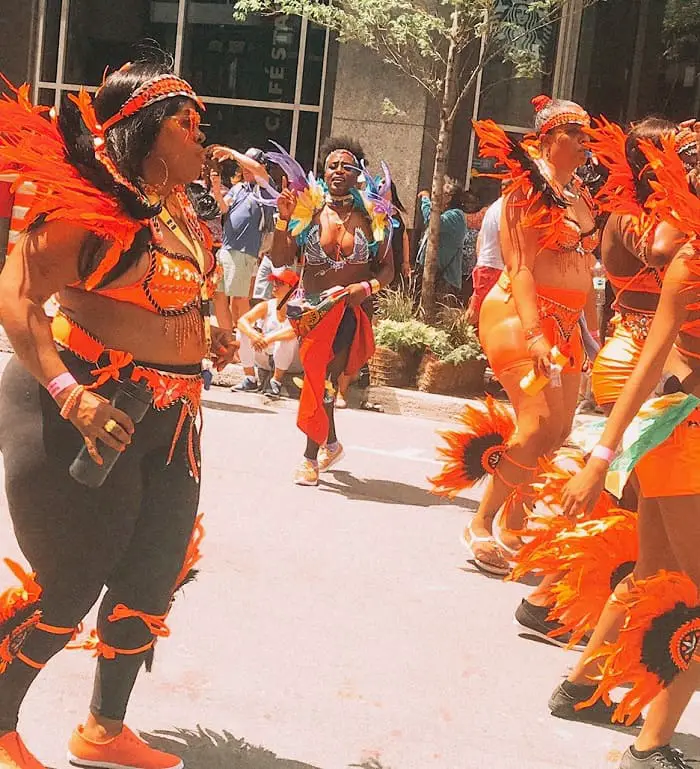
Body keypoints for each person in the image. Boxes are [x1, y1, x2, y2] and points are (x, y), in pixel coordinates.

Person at [0, 62, 237, 769]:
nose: (202, 136)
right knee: (70, 580)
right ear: (141, 129)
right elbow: (17, 297)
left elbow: (180, 293)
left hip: (172, 417)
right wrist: (71, 391)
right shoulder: (86, 204)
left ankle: (103, 729)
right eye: (184, 123)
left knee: (150, 573)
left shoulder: (181, 208)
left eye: (200, 121)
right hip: (79, 405)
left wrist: (210, 332)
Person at [558, 129, 700, 769]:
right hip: (684, 439)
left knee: (652, 574)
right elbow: (646, 365)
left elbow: (653, 364)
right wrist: (599, 456)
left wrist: (606, 454)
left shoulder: (687, 260)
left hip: (671, 431)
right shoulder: (689, 262)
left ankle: (580, 685)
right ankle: (652, 747)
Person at [464, 96, 599, 579]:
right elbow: (519, 268)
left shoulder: (580, 193)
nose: (585, 142)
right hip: (521, 319)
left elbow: (586, 268)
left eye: (587, 134)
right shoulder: (526, 189)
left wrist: (593, 329)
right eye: (574, 134)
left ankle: (515, 524)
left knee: (559, 432)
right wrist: (537, 334)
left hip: (567, 327)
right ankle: (480, 523)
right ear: (545, 139)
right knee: (537, 423)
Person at [268, 137, 394, 486]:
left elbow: (387, 268)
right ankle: (332, 442)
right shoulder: (308, 212)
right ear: (323, 173)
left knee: (321, 378)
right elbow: (281, 259)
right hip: (311, 311)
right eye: (332, 165)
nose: (338, 170)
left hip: (347, 314)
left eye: (346, 165)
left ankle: (310, 458)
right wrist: (283, 219)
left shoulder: (373, 216)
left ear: (359, 174)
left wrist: (367, 288)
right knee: (317, 378)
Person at [215, 147, 274, 329]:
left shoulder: (265, 188)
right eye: (243, 165)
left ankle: (245, 337)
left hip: (244, 250)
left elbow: (256, 168)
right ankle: (228, 334)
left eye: (248, 164)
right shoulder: (238, 188)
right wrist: (216, 188)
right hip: (226, 247)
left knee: (239, 297)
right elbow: (224, 208)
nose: (246, 169)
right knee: (219, 295)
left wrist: (231, 153)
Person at [234, 269, 301, 397]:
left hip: (291, 362)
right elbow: (242, 321)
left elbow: (294, 331)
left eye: (281, 283)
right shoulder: (266, 305)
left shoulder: (298, 308)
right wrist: (254, 335)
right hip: (265, 356)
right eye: (275, 282)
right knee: (242, 332)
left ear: (292, 289)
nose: (275, 285)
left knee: (286, 338)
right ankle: (250, 379)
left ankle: (276, 381)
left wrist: (269, 339)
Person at [416, 179, 467, 302]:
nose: (436, 196)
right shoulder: (447, 215)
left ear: (449, 198)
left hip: (444, 281)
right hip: (432, 276)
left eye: (440, 193)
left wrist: (425, 199)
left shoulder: (455, 216)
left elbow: (431, 221)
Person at [465, 194, 504, 325]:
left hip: (488, 265)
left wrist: (480, 260)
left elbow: (480, 237)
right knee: (477, 312)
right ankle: (457, 339)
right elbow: (504, 239)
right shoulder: (503, 208)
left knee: (480, 310)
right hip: (493, 267)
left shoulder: (493, 207)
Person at [389, 181, 411, 287]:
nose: (381, 188)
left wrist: (406, 261)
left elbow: (404, 237)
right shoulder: (373, 209)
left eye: (384, 186)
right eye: (379, 186)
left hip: (397, 258)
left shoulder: (398, 211)